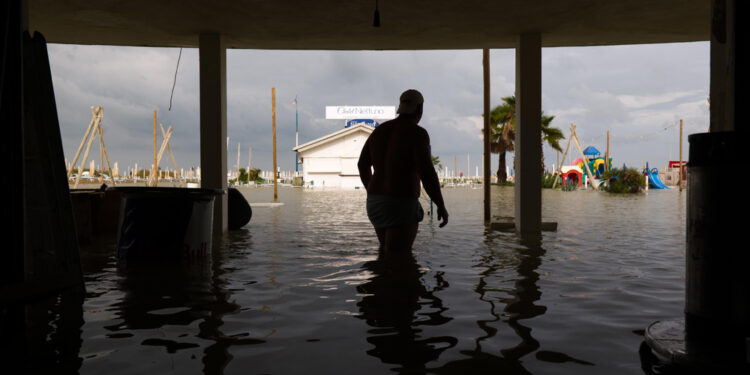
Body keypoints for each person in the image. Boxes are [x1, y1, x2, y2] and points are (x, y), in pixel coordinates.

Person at [358, 89, 448, 259]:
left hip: (375, 203)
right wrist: (440, 205)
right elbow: (427, 173)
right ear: (419, 109)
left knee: (385, 251)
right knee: (400, 258)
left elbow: (362, 165)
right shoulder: (417, 133)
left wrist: (371, 189)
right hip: (401, 203)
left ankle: (380, 282)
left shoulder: (379, 131)